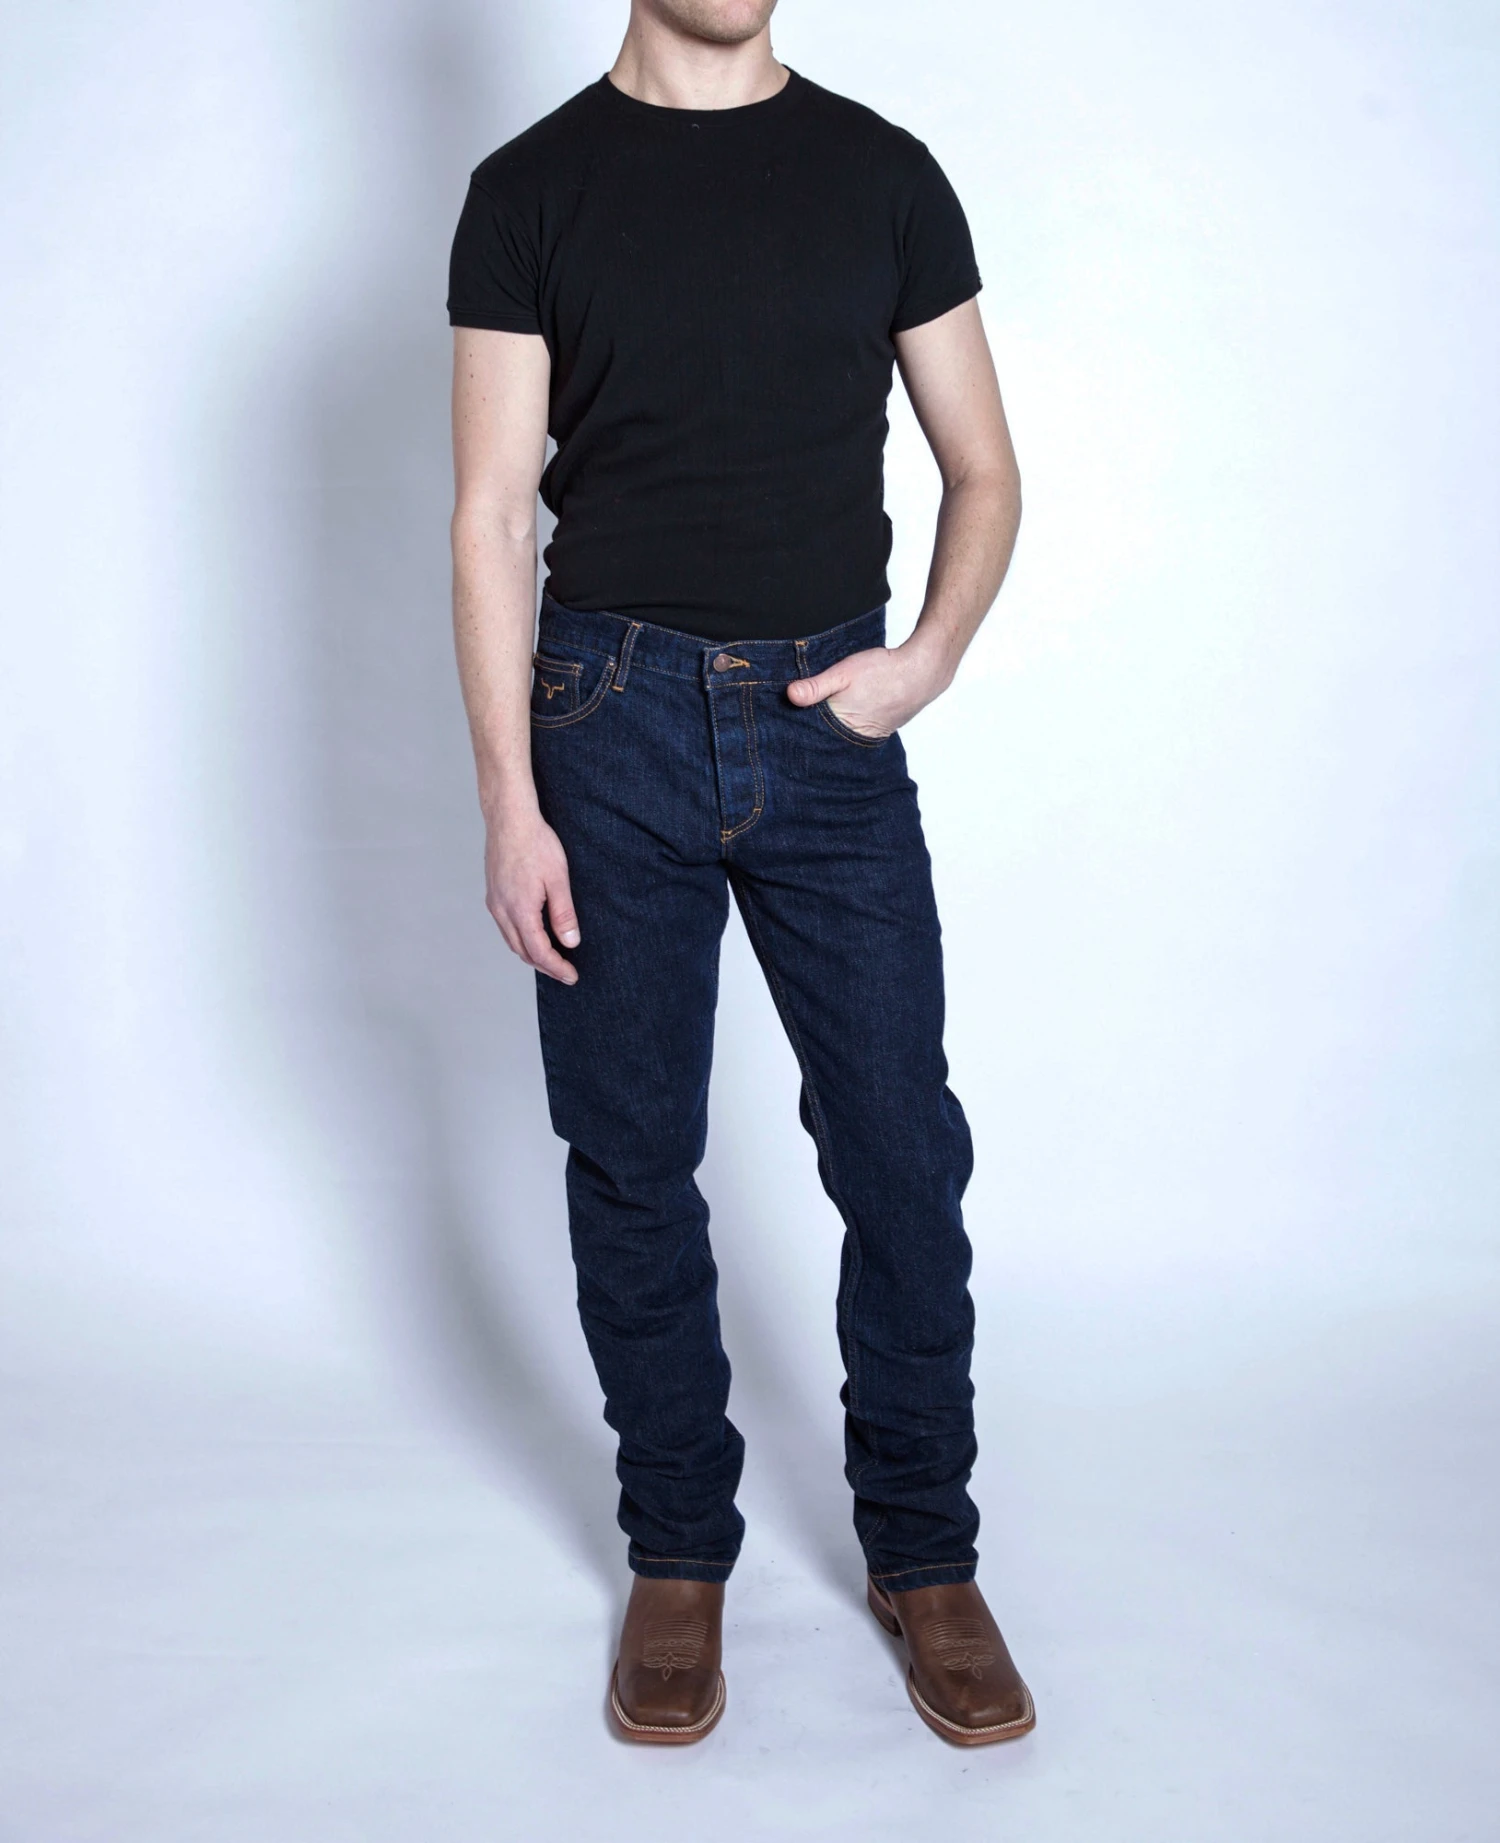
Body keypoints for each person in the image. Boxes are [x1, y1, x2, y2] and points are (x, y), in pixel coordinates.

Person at [447, 0, 1029, 1748]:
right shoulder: (528, 189)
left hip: (827, 719)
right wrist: (509, 801)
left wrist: (925, 661)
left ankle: (924, 1551)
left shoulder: (883, 176)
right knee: (631, 1155)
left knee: (901, 1149)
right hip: (604, 719)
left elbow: (985, 470)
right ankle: (678, 1551)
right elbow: (490, 512)